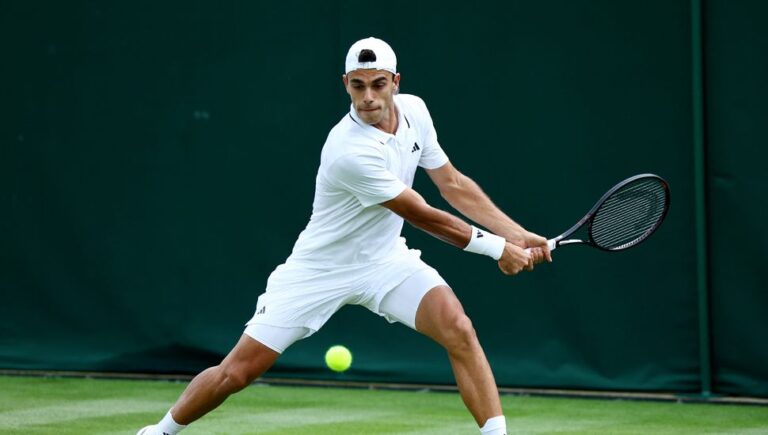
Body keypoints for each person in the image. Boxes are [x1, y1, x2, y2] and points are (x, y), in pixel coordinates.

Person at [137, 36, 551, 435]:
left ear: (396, 82)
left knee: (458, 328)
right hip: (319, 270)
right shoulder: (349, 150)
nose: (368, 96)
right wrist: (498, 248)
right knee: (237, 372)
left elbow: (453, 184)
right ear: (345, 85)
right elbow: (423, 215)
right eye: (358, 85)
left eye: (378, 84)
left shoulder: (416, 113)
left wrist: (517, 234)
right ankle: (161, 431)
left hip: (386, 262)